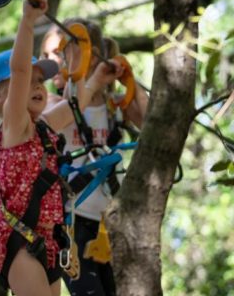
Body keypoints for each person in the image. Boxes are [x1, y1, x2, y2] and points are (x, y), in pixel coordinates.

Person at [0, 0, 118, 295]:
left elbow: (76, 104)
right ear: (0, 97)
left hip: (48, 240)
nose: (38, 86)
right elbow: (19, 71)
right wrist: (28, 21)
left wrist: (85, 71)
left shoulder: (42, 128)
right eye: (32, 80)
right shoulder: (14, 127)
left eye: (41, 81)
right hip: (19, 238)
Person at [45, 18, 148, 296]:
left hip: (110, 223)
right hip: (73, 221)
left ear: (87, 55)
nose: (52, 62)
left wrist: (128, 79)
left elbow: (152, 122)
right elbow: (53, 119)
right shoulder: (57, 103)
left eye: (58, 53)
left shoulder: (114, 107)